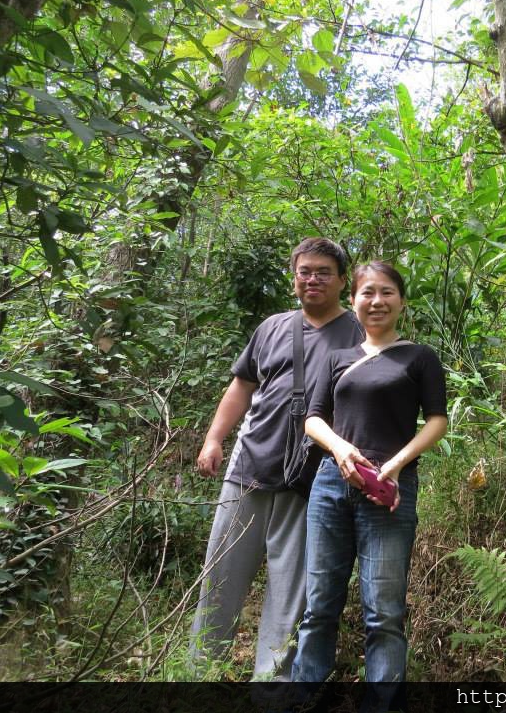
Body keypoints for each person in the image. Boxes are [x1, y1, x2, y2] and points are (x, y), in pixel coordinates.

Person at [189, 237, 363, 680]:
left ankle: (273, 683)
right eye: (305, 271)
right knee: (221, 575)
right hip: (250, 465)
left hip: (312, 478)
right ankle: (199, 671)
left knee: (291, 590)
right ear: (294, 278)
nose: (313, 279)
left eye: (323, 272)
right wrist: (213, 439)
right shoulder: (271, 327)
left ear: (342, 280)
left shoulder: (359, 333)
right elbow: (242, 386)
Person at [291, 261, 448, 696]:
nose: (377, 301)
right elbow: (313, 419)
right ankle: (305, 695)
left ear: (402, 301)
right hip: (331, 483)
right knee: (319, 603)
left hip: (390, 488)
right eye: (367, 293)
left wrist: (395, 465)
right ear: (353, 300)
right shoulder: (338, 358)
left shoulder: (419, 357)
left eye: (387, 292)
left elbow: (437, 421)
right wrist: (340, 449)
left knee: (383, 611)